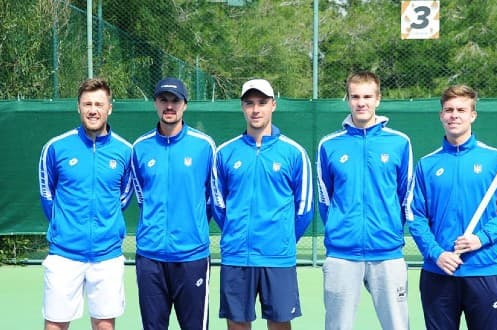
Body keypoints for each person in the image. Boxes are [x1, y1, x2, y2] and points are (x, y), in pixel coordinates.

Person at [406, 84, 497, 330]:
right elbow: (415, 216)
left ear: (473, 115)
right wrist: (437, 254)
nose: (454, 115)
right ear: (441, 115)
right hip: (438, 273)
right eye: (448, 110)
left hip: (482, 271)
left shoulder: (495, 160)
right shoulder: (427, 164)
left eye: (461, 109)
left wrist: (481, 238)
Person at [212, 78, 314, 330]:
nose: (256, 109)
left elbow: (305, 207)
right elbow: (218, 204)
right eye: (249, 103)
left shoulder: (294, 152)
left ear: (273, 105)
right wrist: (237, 232)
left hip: (277, 258)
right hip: (237, 256)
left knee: (279, 323)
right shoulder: (225, 153)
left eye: (262, 103)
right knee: (237, 323)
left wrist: (282, 239)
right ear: (242, 107)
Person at [316, 71, 413, 330]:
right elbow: (325, 200)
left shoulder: (400, 143)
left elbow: (405, 195)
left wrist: (389, 227)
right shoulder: (329, 145)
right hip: (342, 254)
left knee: (397, 326)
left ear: (378, 99)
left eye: (368, 96)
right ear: (347, 99)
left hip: (388, 251)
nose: (362, 103)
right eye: (356, 96)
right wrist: (342, 227)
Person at [38, 78, 133, 330]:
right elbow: (47, 196)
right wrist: (65, 227)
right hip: (64, 254)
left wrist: (104, 224)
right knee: (55, 325)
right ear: (78, 107)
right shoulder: (56, 147)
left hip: (107, 255)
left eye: (99, 104)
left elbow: (123, 197)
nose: (93, 110)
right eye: (87, 104)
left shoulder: (125, 151)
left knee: (104, 325)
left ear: (109, 108)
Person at [131, 77, 216, 330]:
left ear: (185, 105)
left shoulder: (204, 146)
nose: (169, 106)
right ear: (155, 104)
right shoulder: (139, 148)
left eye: (175, 100)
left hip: (192, 257)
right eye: (163, 100)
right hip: (150, 258)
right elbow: (140, 196)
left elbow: (211, 198)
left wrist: (191, 227)